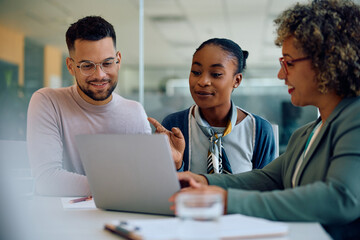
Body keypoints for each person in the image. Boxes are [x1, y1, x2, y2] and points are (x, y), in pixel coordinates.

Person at [171, 1, 360, 239]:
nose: (281, 74)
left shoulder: (355, 117)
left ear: (327, 61)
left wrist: (226, 200)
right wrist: (202, 181)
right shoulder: (305, 134)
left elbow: (341, 198)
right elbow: (269, 178)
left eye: (288, 63)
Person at [27, 16, 151, 197]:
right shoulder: (48, 102)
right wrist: (122, 187)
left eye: (107, 63)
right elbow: (46, 180)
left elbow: (147, 180)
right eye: (87, 65)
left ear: (118, 60)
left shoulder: (135, 112)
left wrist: (172, 163)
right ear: (71, 66)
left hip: (120, 218)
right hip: (63, 221)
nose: (100, 75)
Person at [149, 38, 276, 174]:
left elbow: (265, 188)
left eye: (216, 74)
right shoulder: (175, 124)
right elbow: (165, 189)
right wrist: (177, 164)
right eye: (196, 72)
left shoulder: (259, 130)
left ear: (237, 80)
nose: (203, 81)